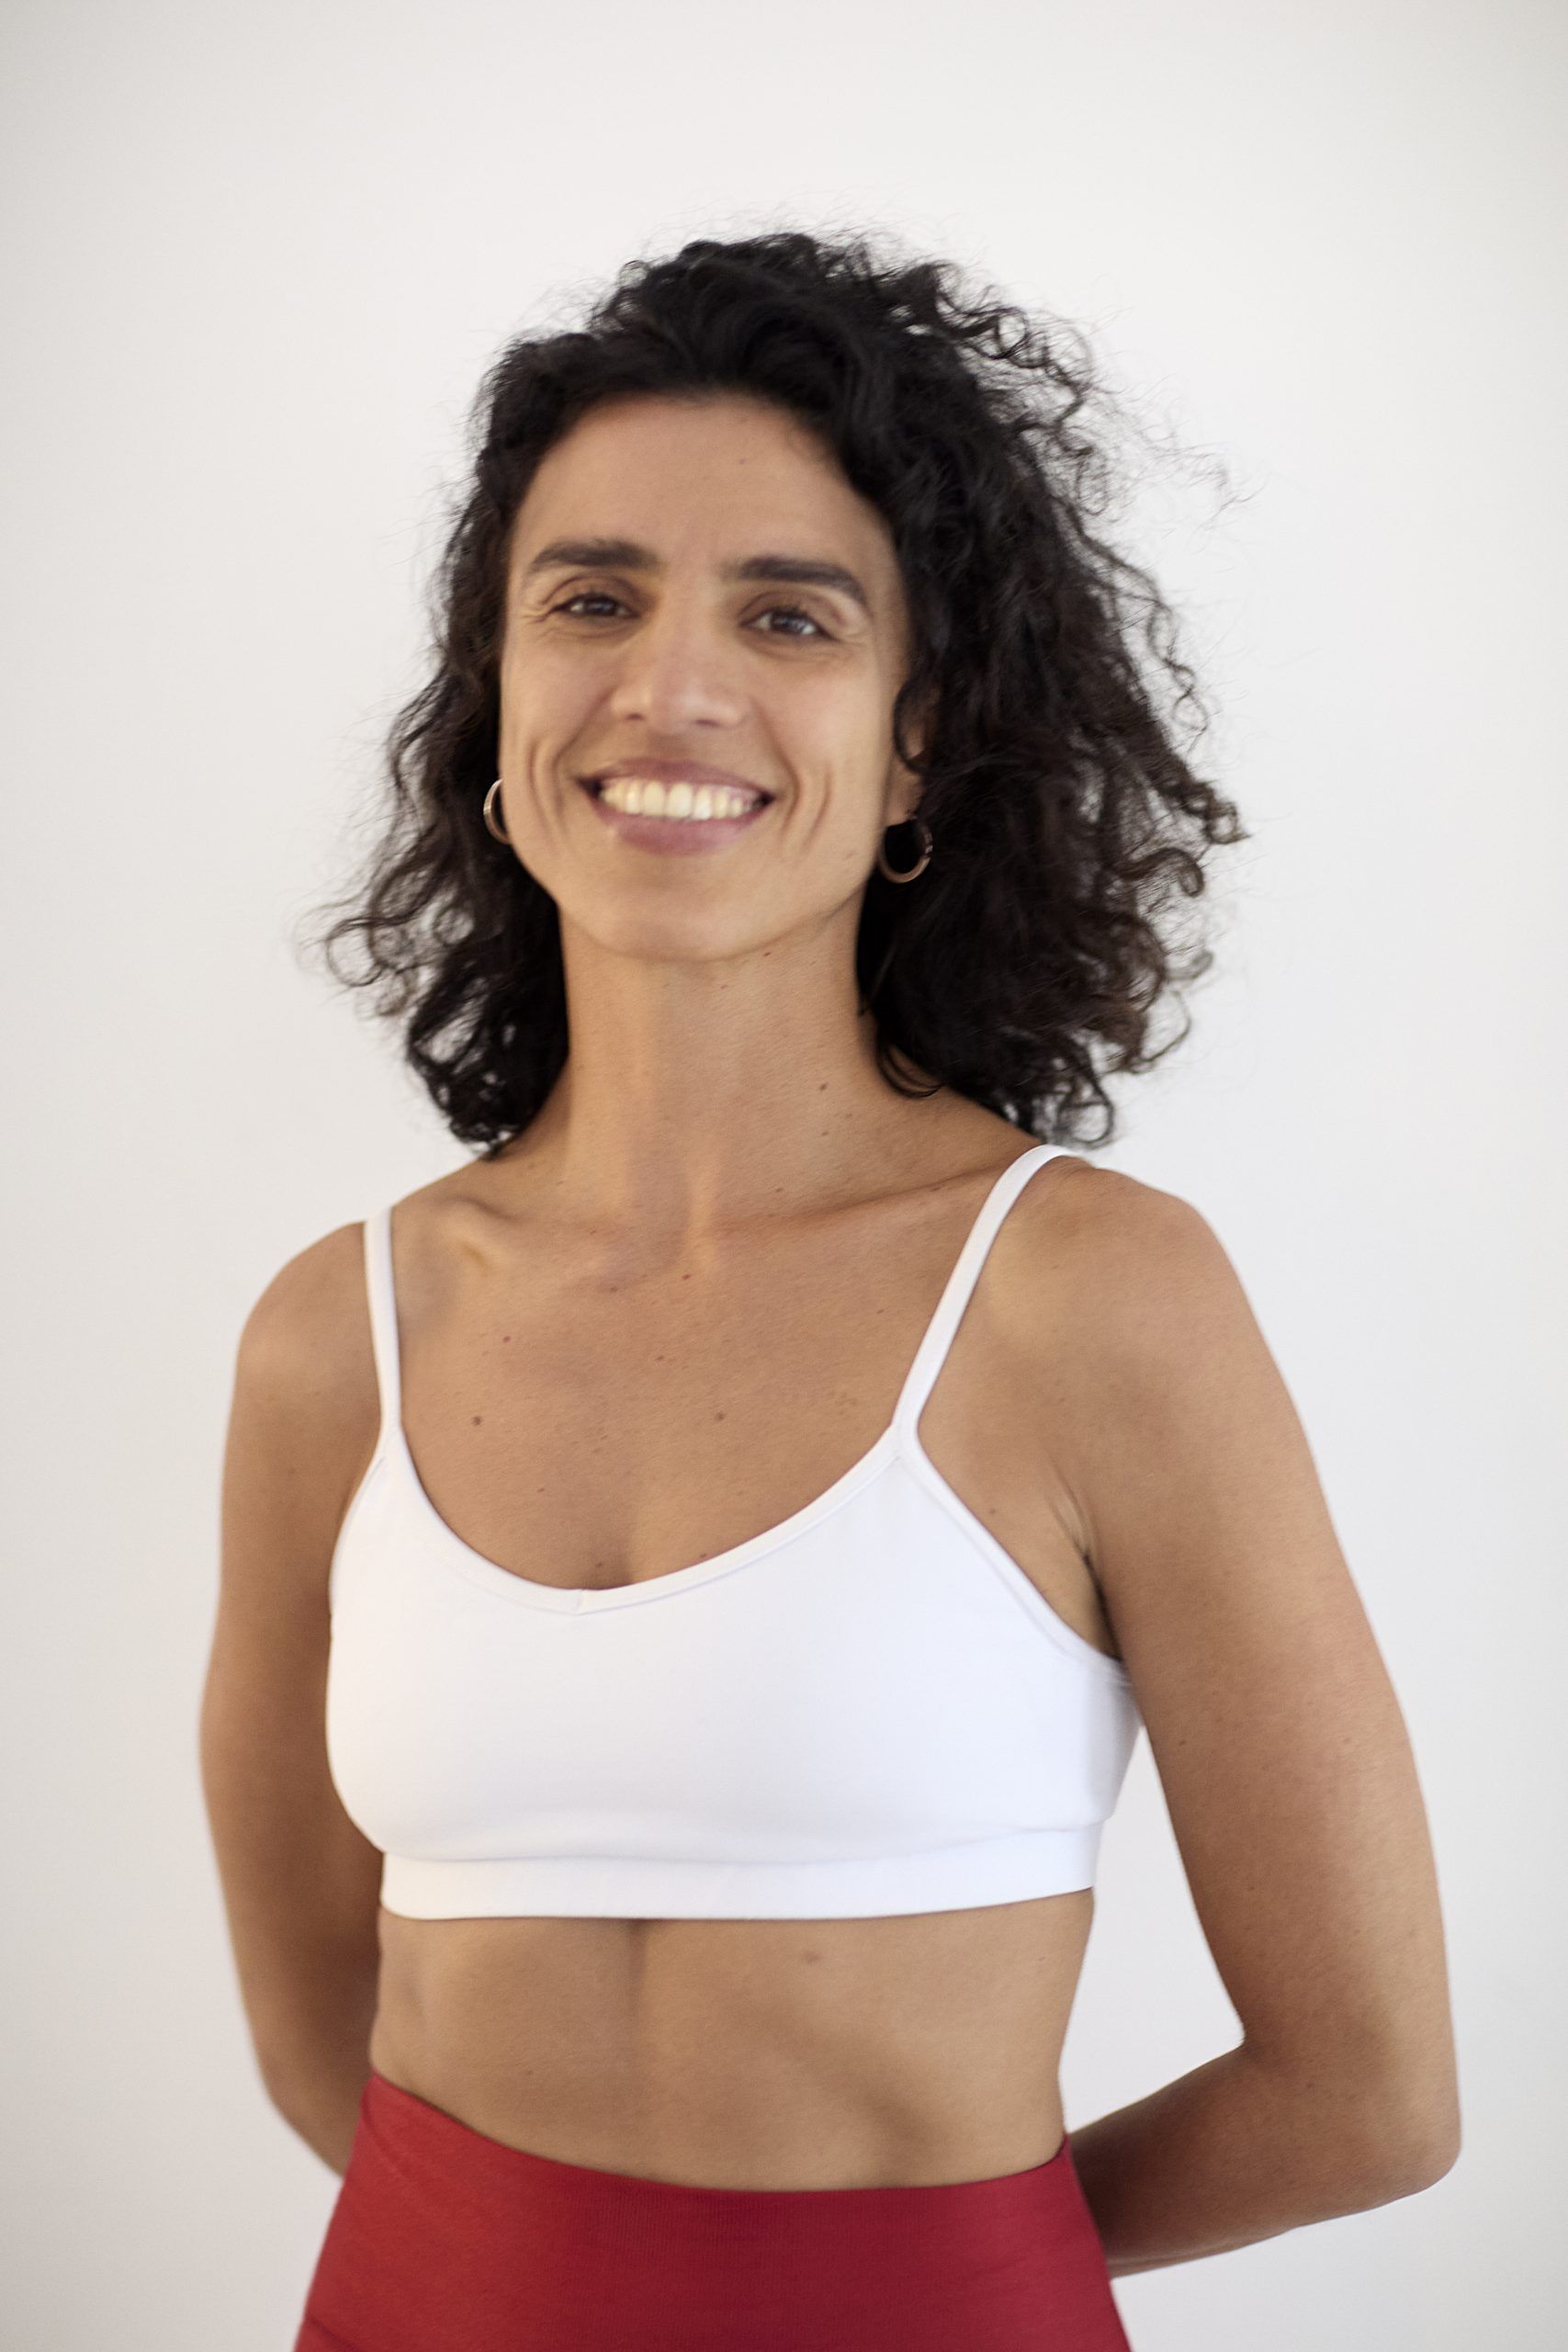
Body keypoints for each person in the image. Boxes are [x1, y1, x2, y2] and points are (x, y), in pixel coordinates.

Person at [199, 229, 1460, 2351]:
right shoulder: (339, 1335)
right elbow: (318, 2014)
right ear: (497, 702)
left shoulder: (1088, 1301)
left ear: (908, 750)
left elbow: (1367, 2094)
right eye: (588, 598)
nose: (666, 685)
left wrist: (907, 2273)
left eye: (787, 614)